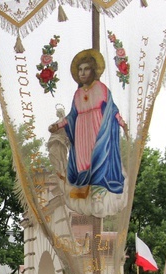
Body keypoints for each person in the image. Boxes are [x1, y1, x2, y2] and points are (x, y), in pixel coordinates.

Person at [48, 49, 125, 201]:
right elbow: (72, 116)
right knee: (82, 160)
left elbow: (112, 109)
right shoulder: (77, 94)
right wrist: (58, 126)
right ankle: (84, 188)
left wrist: (122, 123)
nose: (83, 73)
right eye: (80, 70)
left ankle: (98, 189)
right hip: (81, 129)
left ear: (93, 71)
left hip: (97, 126)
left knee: (98, 155)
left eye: (86, 69)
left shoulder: (101, 88)